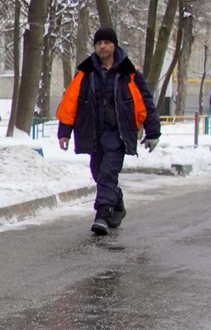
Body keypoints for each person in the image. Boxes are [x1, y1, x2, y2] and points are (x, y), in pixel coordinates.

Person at [56, 27, 159, 236]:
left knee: (108, 173)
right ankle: (117, 202)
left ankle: (102, 214)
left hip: (117, 133)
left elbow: (145, 101)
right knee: (97, 172)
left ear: (114, 45)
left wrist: (153, 131)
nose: (102, 46)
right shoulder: (85, 72)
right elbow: (71, 102)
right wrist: (64, 131)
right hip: (93, 133)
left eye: (106, 42)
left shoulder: (128, 72)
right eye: (99, 43)